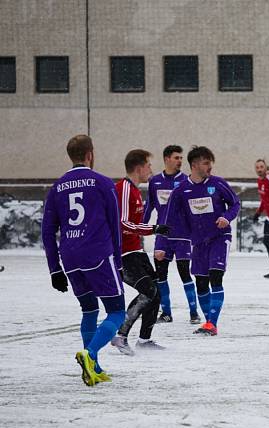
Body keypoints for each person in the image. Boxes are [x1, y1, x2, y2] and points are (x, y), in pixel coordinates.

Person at [41, 135, 126, 386]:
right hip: (98, 254)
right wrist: (118, 262)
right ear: (90, 154)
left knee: (89, 309)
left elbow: (47, 231)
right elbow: (115, 224)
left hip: (70, 257)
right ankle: (90, 355)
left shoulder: (57, 187)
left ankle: (94, 368)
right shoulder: (102, 182)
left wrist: (54, 269)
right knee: (117, 311)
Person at [165, 146, 240, 336]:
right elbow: (170, 219)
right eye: (206, 163)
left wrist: (226, 217)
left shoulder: (218, 183)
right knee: (201, 283)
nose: (210, 167)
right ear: (194, 165)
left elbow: (235, 203)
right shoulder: (181, 189)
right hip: (198, 242)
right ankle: (208, 321)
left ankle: (211, 323)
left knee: (216, 276)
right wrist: (163, 243)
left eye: (210, 162)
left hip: (219, 237)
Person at [109, 149, 170, 354]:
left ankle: (144, 340)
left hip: (136, 251)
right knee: (148, 291)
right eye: (149, 166)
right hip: (123, 254)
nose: (151, 170)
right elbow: (123, 224)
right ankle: (121, 336)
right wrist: (153, 229)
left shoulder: (135, 190)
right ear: (139, 168)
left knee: (156, 293)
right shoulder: (124, 188)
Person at [144, 145, 201, 324]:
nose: (180, 161)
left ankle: (194, 312)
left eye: (181, 158)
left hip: (182, 236)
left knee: (185, 273)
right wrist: (139, 227)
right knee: (161, 275)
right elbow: (149, 206)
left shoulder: (185, 181)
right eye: (176, 158)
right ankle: (166, 313)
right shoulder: (155, 181)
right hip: (162, 236)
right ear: (167, 158)